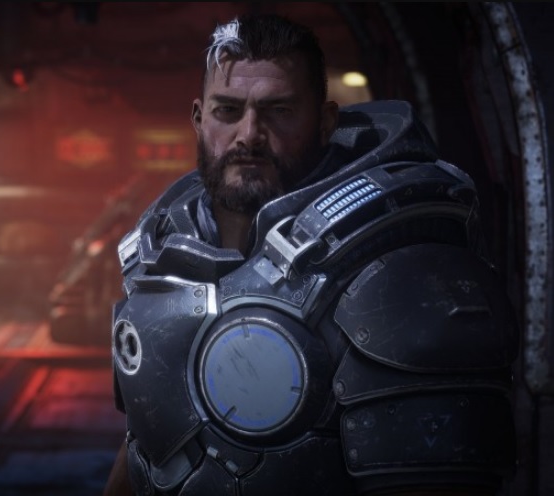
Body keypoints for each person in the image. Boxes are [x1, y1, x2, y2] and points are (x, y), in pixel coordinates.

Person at [104, 13, 517, 496]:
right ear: (199, 119)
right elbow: (149, 450)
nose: (249, 134)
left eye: (278, 110)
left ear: (325, 122)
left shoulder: (397, 269)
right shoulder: (169, 252)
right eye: (228, 110)